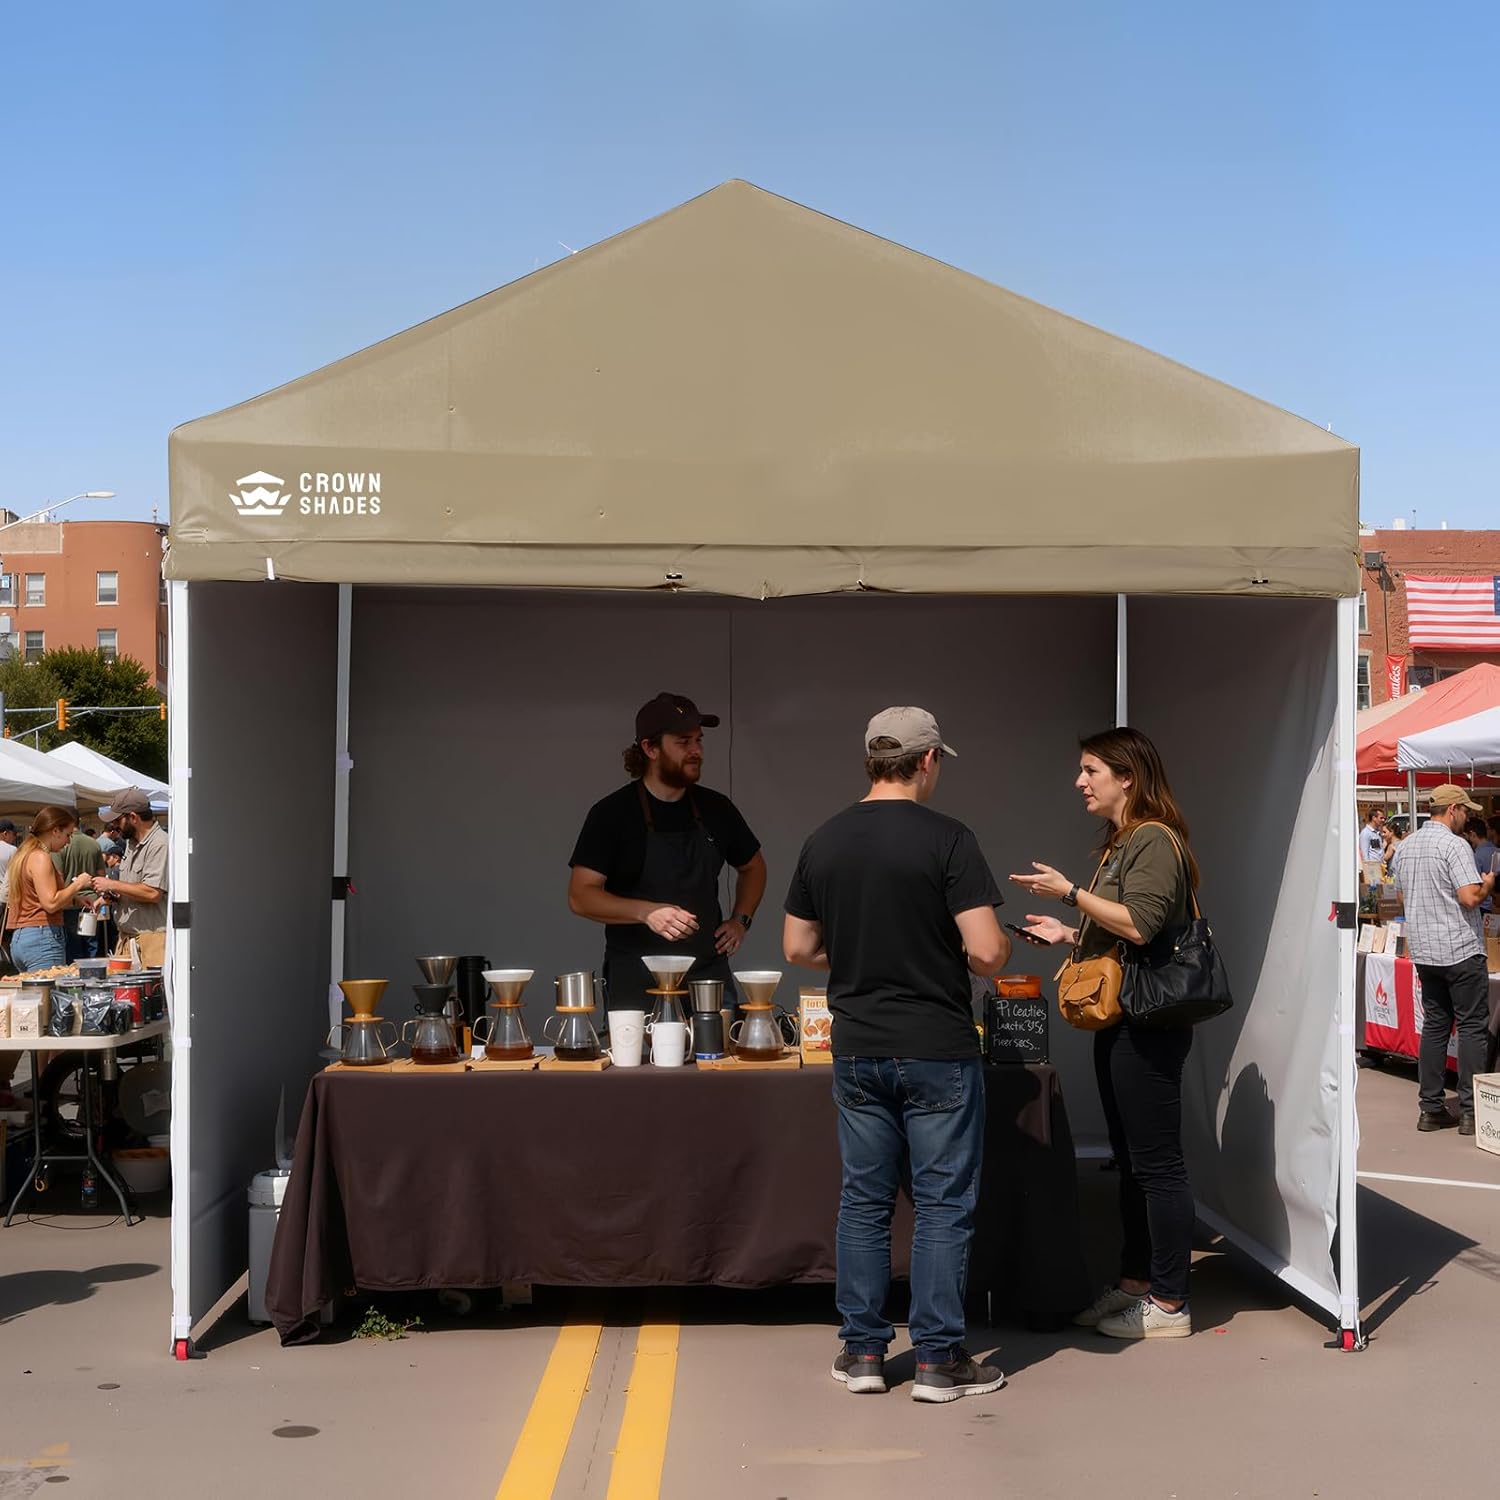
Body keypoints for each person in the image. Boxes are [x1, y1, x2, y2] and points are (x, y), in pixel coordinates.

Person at [783, 706, 1010, 1403]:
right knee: (942, 1204)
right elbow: (988, 952)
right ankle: (939, 1362)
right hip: (936, 1045)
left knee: (864, 1201)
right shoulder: (950, 840)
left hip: (857, 1047)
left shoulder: (824, 839)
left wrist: (857, 956)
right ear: (928, 760)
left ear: (872, 761)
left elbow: (796, 949)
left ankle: (861, 1354)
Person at [1011, 726, 1200, 1342]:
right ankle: (1135, 1284)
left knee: (1157, 1165)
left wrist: (1069, 893)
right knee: (1134, 1163)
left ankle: (1170, 1303)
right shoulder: (1124, 843)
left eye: (1091, 770)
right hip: (1121, 1018)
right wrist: (1068, 935)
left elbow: (1143, 926)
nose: (1080, 781)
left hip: (1147, 1023)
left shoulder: (1153, 839)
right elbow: (1120, 929)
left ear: (1128, 777)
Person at [568, 693, 766, 1014]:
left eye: (699, 741)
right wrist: (646, 912)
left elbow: (754, 867)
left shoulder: (718, 809)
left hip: (706, 977)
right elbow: (580, 895)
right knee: (642, 1064)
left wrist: (740, 920)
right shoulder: (612, 814)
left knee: (717, 1061)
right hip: (636, 980)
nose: (697, 751)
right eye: (684, 742)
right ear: (650, 748)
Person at [1391, 784, 1495, 1136]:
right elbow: (1469, 898)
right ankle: (1471, 1110)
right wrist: (1488, 884)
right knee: (1471, 1027)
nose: (1467, 817)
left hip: (1426, 949)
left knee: (1435, 1025)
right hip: (1460, 947)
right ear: (1452, 809)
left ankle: (1431, 1107)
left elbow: (1404, 898)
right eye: (1465, 811)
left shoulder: (1405, 847)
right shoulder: (1455, 844)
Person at [6, 806, 96, 973]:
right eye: (68, 835)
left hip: (22, 938)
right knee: (49, 997)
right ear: (55, 831)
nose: (68, 841)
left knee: (35, 998)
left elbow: (37, 897)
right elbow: (50, 903)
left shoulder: (24, 854)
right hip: (42, 938)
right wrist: (78, 884)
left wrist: (74, 899)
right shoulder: (40, 857)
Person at [92, 788, 168, 968]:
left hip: (152, 942)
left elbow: (152, 893)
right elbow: (133, 887)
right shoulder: (131, 843)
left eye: (118, 820)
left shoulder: (159, 843)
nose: (115, 826)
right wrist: (114, 897)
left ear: (133, 817)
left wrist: (111, 883)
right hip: (127, 940)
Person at [54, 825, 105, 960]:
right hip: (92, 901)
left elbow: (58, 876)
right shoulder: (94, 843)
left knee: (73, 946)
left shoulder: (59, 846)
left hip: (68, 901)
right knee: (92, 944)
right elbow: (101, 875)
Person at [1463, 816, 1497, 914]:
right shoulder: (1497, 851)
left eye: (1466, 836)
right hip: (1494, 905)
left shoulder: (1475, 856)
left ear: (1472, 834)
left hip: (1482, 906)